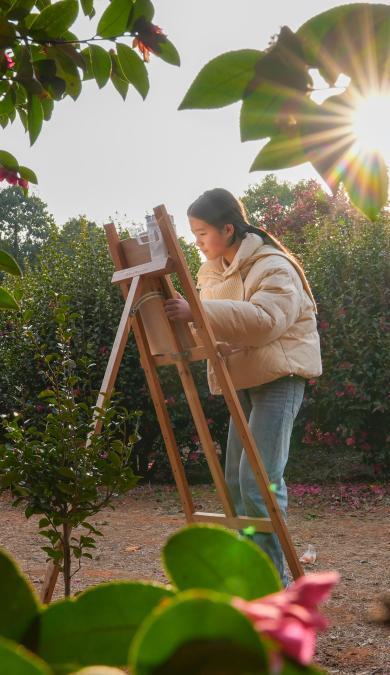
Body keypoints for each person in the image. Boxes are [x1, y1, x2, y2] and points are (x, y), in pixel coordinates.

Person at [163, 188, 322, 584]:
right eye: (194, 234)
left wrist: (195, 311)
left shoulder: (273, 265)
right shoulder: (213, 271)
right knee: (235, 481)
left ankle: (272, 587)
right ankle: (253, 578)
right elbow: (215, 328)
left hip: (280, 378)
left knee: (260, 482)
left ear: (228, 229)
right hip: (246, 380)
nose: (196, 242)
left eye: (202, 233)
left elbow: (265, 320)